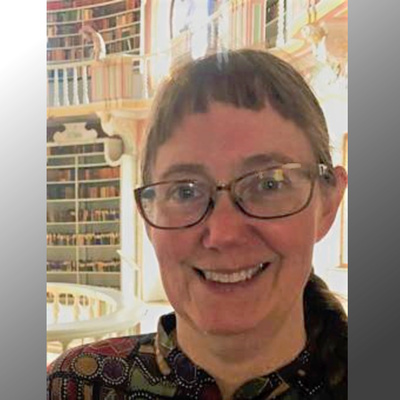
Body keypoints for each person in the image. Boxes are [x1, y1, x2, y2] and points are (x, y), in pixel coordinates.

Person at [47, 49, 348, 400]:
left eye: (269, 184)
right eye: (185, 191)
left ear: (328, 203)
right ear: (148, 217)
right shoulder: (77, 387)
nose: (223, 234)